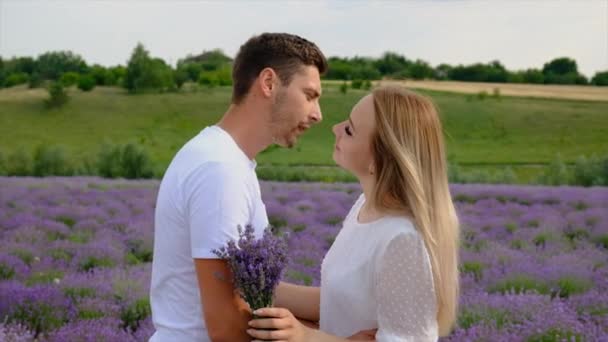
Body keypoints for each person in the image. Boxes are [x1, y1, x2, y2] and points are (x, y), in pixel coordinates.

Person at [149, 32, 328, 342]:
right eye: (310, 95)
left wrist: (357, 308)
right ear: (269, 83)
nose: (317, 114)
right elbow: (227, 328)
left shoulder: (230, 161)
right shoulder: (219, 170)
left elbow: (255, 289)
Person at [248, 86, 460, 342]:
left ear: (379, 159)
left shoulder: (402, 239)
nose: (335, 128)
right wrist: (252, 285)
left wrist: (305, 336)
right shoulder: (364, 207)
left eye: (349, 129)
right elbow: (343, 300)